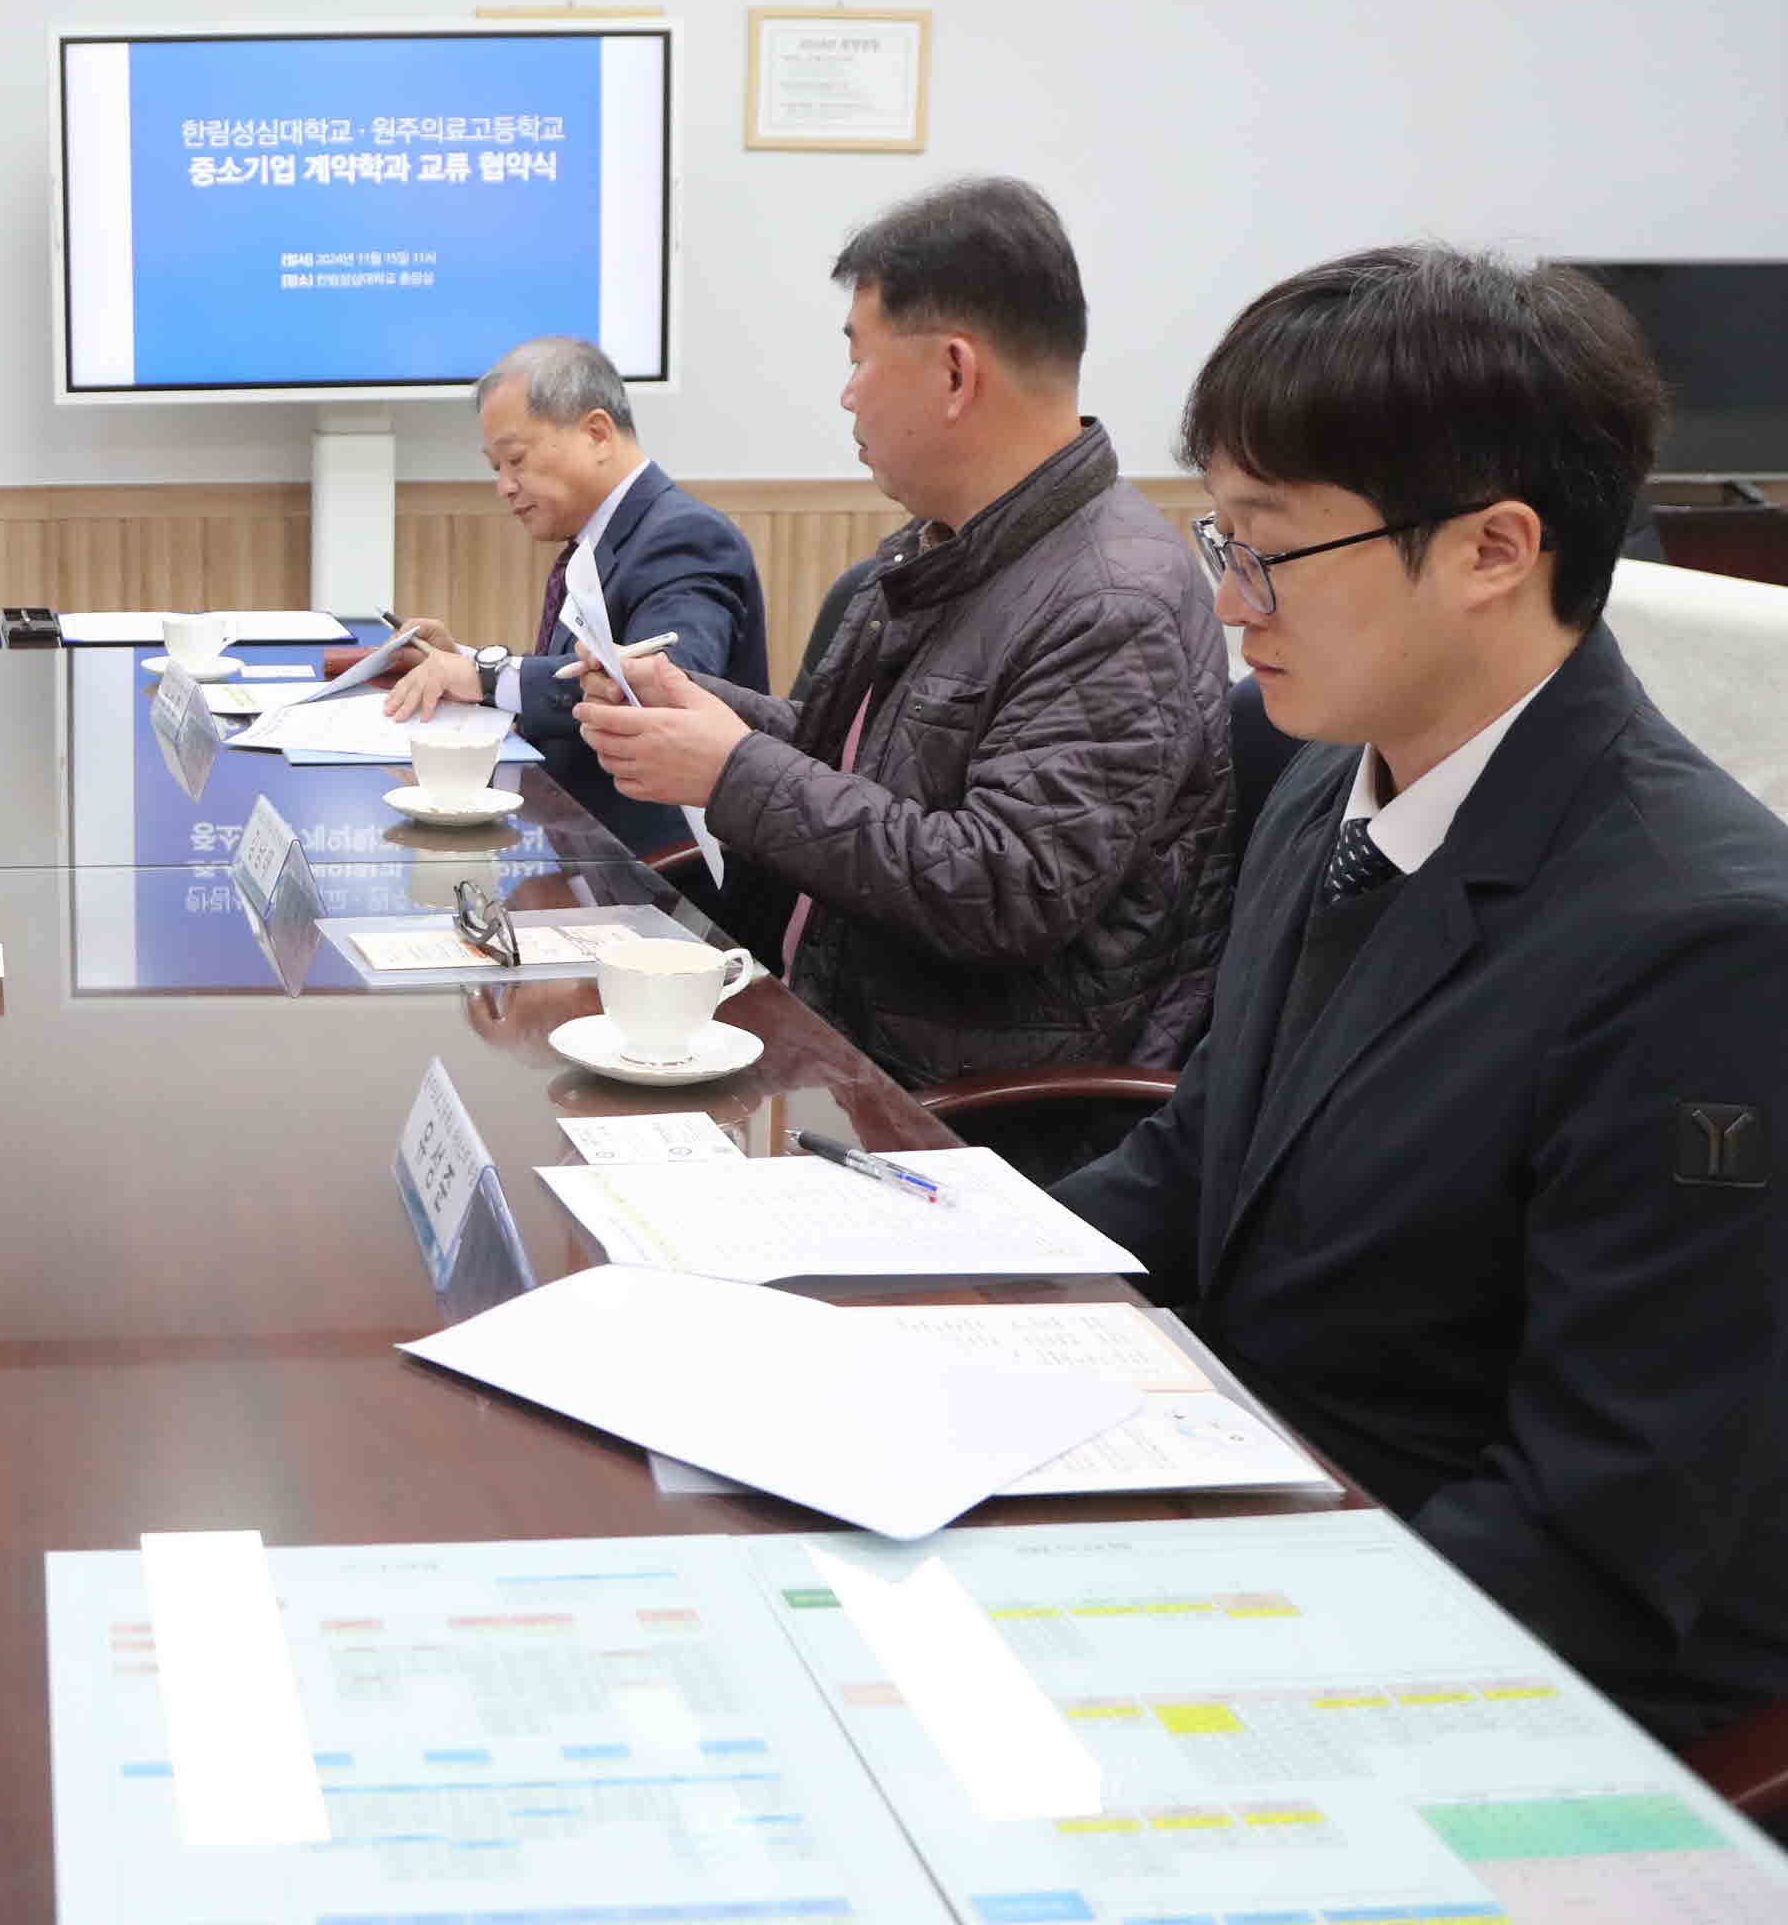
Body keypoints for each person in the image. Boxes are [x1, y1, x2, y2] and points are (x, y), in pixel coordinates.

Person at [1057, 247, 1788, 1747]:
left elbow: (1601, 1529)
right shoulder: (1332, 776)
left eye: (1270, 547)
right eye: (1220, 535)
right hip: (1262, 1500)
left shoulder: (1707, 943)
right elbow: (1203, 1160)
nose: (1227, 600)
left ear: (1493, 550)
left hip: (1482, 1656)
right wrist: (909, 1291)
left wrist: (1189, 1659)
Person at [574, 177, 1235, 1090]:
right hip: (828, 1032)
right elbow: (852, 768)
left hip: (959, 1107)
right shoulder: (952, 546)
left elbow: (1001, 888)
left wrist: (729, 770)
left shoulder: (1115, 600)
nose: (848, 396)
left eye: (860, 359)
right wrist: (698, 710)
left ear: (956, 373)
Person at [382, 334, 769, 858]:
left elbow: (663, 684)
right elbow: (576, 674)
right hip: (576, 841)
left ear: (597, 432)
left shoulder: (686, 537)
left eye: (515, 459)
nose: (505, 486)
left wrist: (488, 677)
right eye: (495, 468)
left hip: (657, 864)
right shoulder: (599, 539)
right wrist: (466, 664)